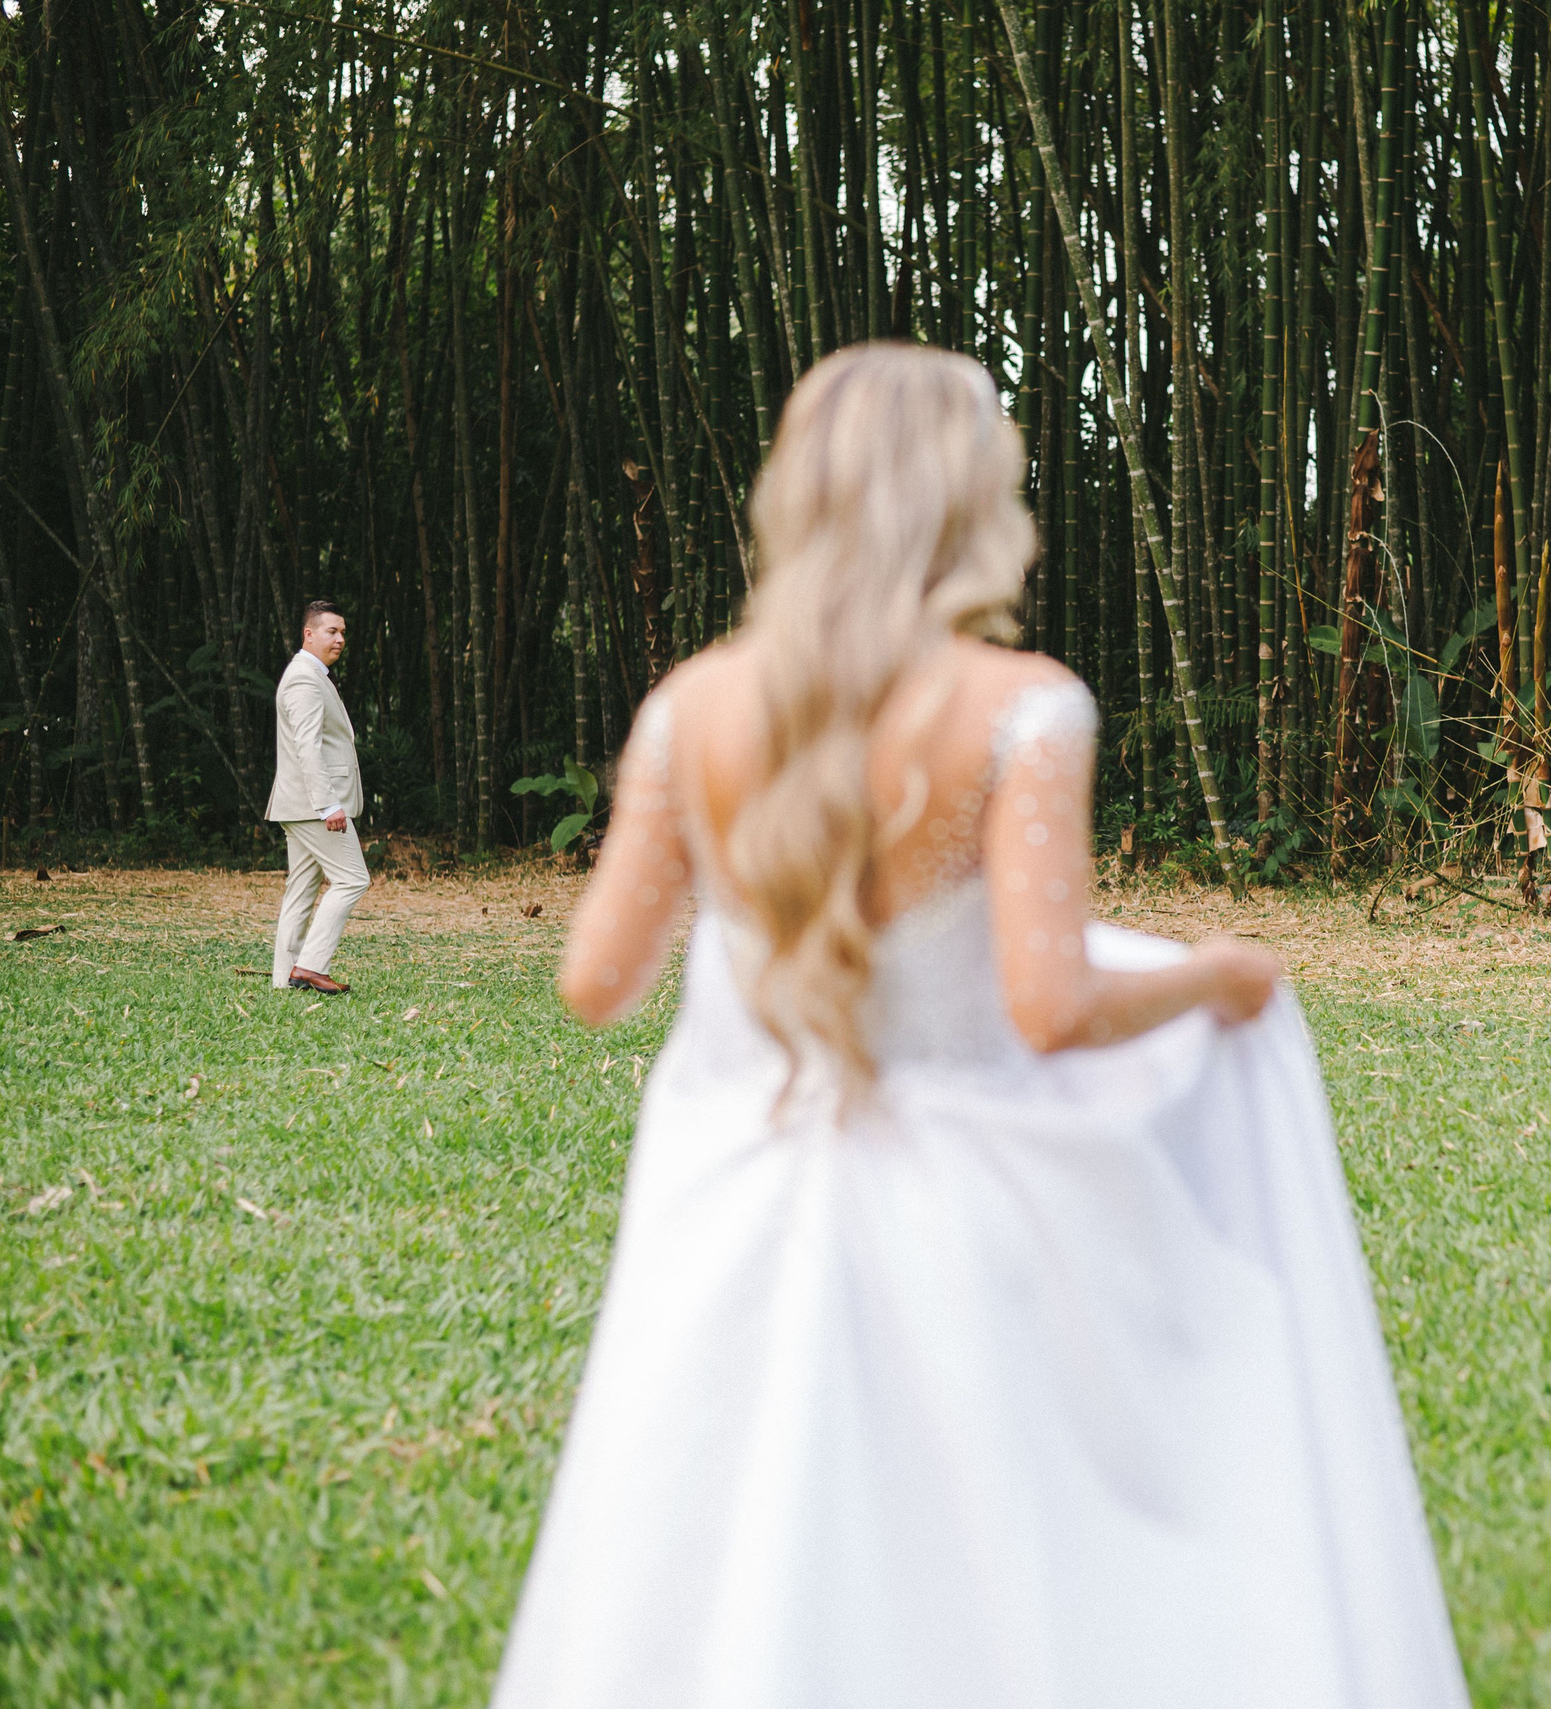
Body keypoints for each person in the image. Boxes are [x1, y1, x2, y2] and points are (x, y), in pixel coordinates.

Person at [493, 344, 1468, 1709]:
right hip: (960, 1206)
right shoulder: (1022, 709)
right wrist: (1215, 973)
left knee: (729, 1553)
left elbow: (595, 981)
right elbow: (1051, 1004)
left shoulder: (689, 709)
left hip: (732, 1200)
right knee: (996, 1566)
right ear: (968, 504)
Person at [265, 599, 367, 995]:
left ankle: (283, 979)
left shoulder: (312, 675)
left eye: (342, 632)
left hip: (299, 803)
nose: (340, 639)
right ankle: (309, 967)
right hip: (313, 805)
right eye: (331, 631)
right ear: (309, 633)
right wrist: (328, 804)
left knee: (303, 889)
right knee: (353, 880)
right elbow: (307, 747)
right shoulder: (305, 679)